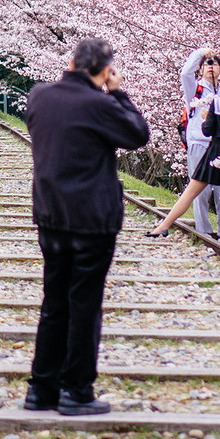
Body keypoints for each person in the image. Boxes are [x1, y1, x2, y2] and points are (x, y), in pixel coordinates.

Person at [24, 37, 150, 415]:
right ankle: (76, 391)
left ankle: (41, 389)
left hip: (50, 213)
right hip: (92, 219)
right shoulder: (100, 104)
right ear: (105, 70)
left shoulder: (40, 96)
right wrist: (118, 92)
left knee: (54, 301)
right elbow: (137, 135)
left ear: (71, 61)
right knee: (84, 305)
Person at [146, 69, 220, 246]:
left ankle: (164, 226)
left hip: (215, 153)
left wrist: (205, 117)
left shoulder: (218, 103)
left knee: (190, 192)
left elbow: (207, 131)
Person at [179, 47, 220, 239]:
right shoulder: (195, 89)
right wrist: (201, 53)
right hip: (198, 143)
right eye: (207, 64)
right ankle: (204, 231)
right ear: (200, 69)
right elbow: (184, 73)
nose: (210, 66)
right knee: (200, 191)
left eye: (214, 63)